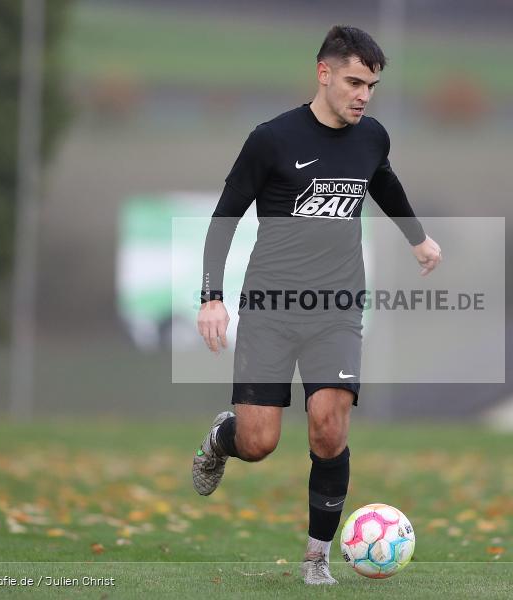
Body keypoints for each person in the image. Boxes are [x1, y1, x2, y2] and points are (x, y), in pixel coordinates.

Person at [192, 25, 441, 585]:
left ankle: (316, 558)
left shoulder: (372, 137)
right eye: (354, 82)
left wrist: (418, 238)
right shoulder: (271, 140)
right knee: (259, 442)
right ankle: (223, 438)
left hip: (337, 308)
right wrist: (212, 297)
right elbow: (225, 218)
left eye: (371, 86)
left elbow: (384, 183)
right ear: (324, 74)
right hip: (270, 308)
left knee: (329, 426)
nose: (363, 95)